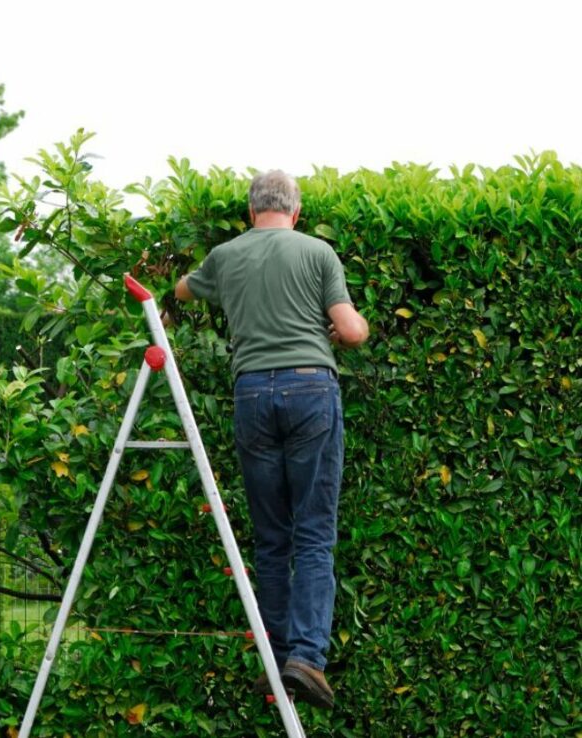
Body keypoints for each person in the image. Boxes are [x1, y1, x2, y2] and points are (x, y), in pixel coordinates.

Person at [174, 170, 368, 708]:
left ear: (251, 210)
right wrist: (352, 327)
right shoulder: (316, 253)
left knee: (272, 536)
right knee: (313, 532)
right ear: (296, 211)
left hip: (252, 393)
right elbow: (350, 331)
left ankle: (275, 657)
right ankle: (306, 658)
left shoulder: (226, 255)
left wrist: (190, 280)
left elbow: (182, 290)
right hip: (311, 389)